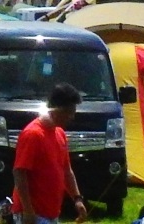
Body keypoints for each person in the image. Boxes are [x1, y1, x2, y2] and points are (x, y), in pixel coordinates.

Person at [13, 83, 87, 224]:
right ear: (57, 109)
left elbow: (66, 171)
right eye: (69, 112)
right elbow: (19, 173)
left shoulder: (60, 134)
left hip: (51, 214)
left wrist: (77, 199)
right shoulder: (33, 134)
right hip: (33, 214)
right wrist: (28, 210)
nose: (72, 117)